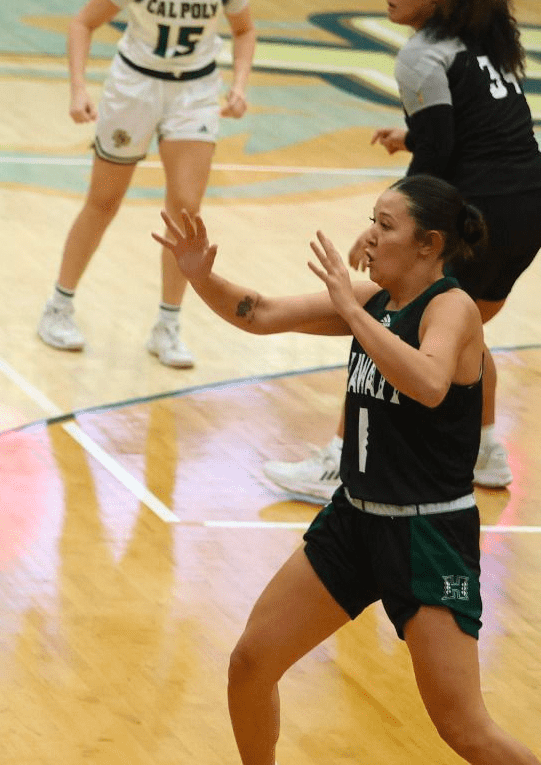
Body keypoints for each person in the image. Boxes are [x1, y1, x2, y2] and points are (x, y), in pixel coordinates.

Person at [155, 176, 540, 765]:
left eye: (386, 226)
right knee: (251, 663)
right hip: (354, 522)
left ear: (427, 245)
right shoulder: (371, 303)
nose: (368, 237)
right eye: (372, 220)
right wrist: (198, 275)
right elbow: (260, 313)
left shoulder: (452, 309)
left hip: (428, 537)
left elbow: (430, 383)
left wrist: (351, 311)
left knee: (465, 730)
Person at [264, 0, 541, 502]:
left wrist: (385, 222)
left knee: (388, 320)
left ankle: (340, 463)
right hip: (527, 208)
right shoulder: (481, 43)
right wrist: (413, 136)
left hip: (486, 208)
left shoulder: (421, 54)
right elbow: (473, 131)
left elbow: (438, 155)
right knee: (462, 326)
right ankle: (486, 451)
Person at [37, 0, 256, 368]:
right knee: (104, 202)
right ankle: (58, 305)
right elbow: (82, 23)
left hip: (194, 92)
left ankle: (168, 324)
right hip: (134, 87)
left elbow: (244, 30)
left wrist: (239, 84)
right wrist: (78, 89)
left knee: (186, 211)